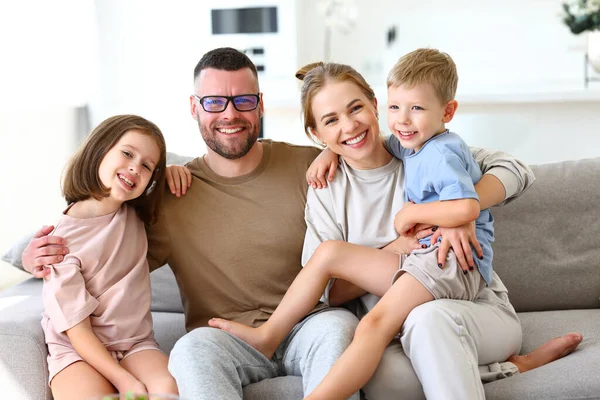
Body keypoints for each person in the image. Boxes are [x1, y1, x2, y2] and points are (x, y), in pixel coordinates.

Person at [21, 48, 581, 400]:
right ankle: (505, 369)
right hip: (232, 332)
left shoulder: (352, 158)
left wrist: (462, 209)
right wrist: (26, 256)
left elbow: (507, 167)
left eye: (242, 99)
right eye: (214, 102)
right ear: (194, 109)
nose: (230, 113)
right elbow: (92, 229)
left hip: (323, 322)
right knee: (192, 353)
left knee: (347, 335)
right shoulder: (167, 188)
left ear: (260, 104)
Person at [39, 115, 178, 399]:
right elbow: (78, 333)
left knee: (170, 389)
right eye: (127, 153)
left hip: (135, 344)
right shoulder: (60, 244)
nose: (134, 168)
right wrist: (124, 380)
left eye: (147, 166)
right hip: (79, 350)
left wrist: (175, 171)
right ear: (101, 148)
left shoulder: (136, 213)